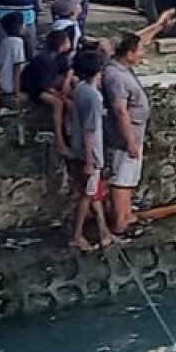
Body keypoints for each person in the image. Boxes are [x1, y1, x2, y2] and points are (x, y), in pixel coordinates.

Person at [68, 48, 119, 252]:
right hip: (91, 152)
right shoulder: (94, 97)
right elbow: (90, 131)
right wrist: (90, 160)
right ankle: (77, 235)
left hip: (79, 146)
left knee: (94, 192)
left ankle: (103, 231)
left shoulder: (80, 88)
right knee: (88, 195)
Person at [104, 31, 153, 236]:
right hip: (125, 135)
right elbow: (119, 110)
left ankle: (126, 215)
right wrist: (130, 141)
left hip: (135, 132)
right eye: (140, 50)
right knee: (121, 180)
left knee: (129, 178)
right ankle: (120, 223)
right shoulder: (116, 75)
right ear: (129, 53)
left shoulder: (123, 70)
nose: (142, 54)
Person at [22, 29, 73, 157]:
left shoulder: (62, 56)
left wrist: (66, 83)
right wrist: (61, 96)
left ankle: (69, 129)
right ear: (61, 44)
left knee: (73, 84)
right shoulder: (45, 60)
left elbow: (69, 70)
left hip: (50, 82)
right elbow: (43, 85)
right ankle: (59, 140)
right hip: (34, 88)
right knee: (58, 103)